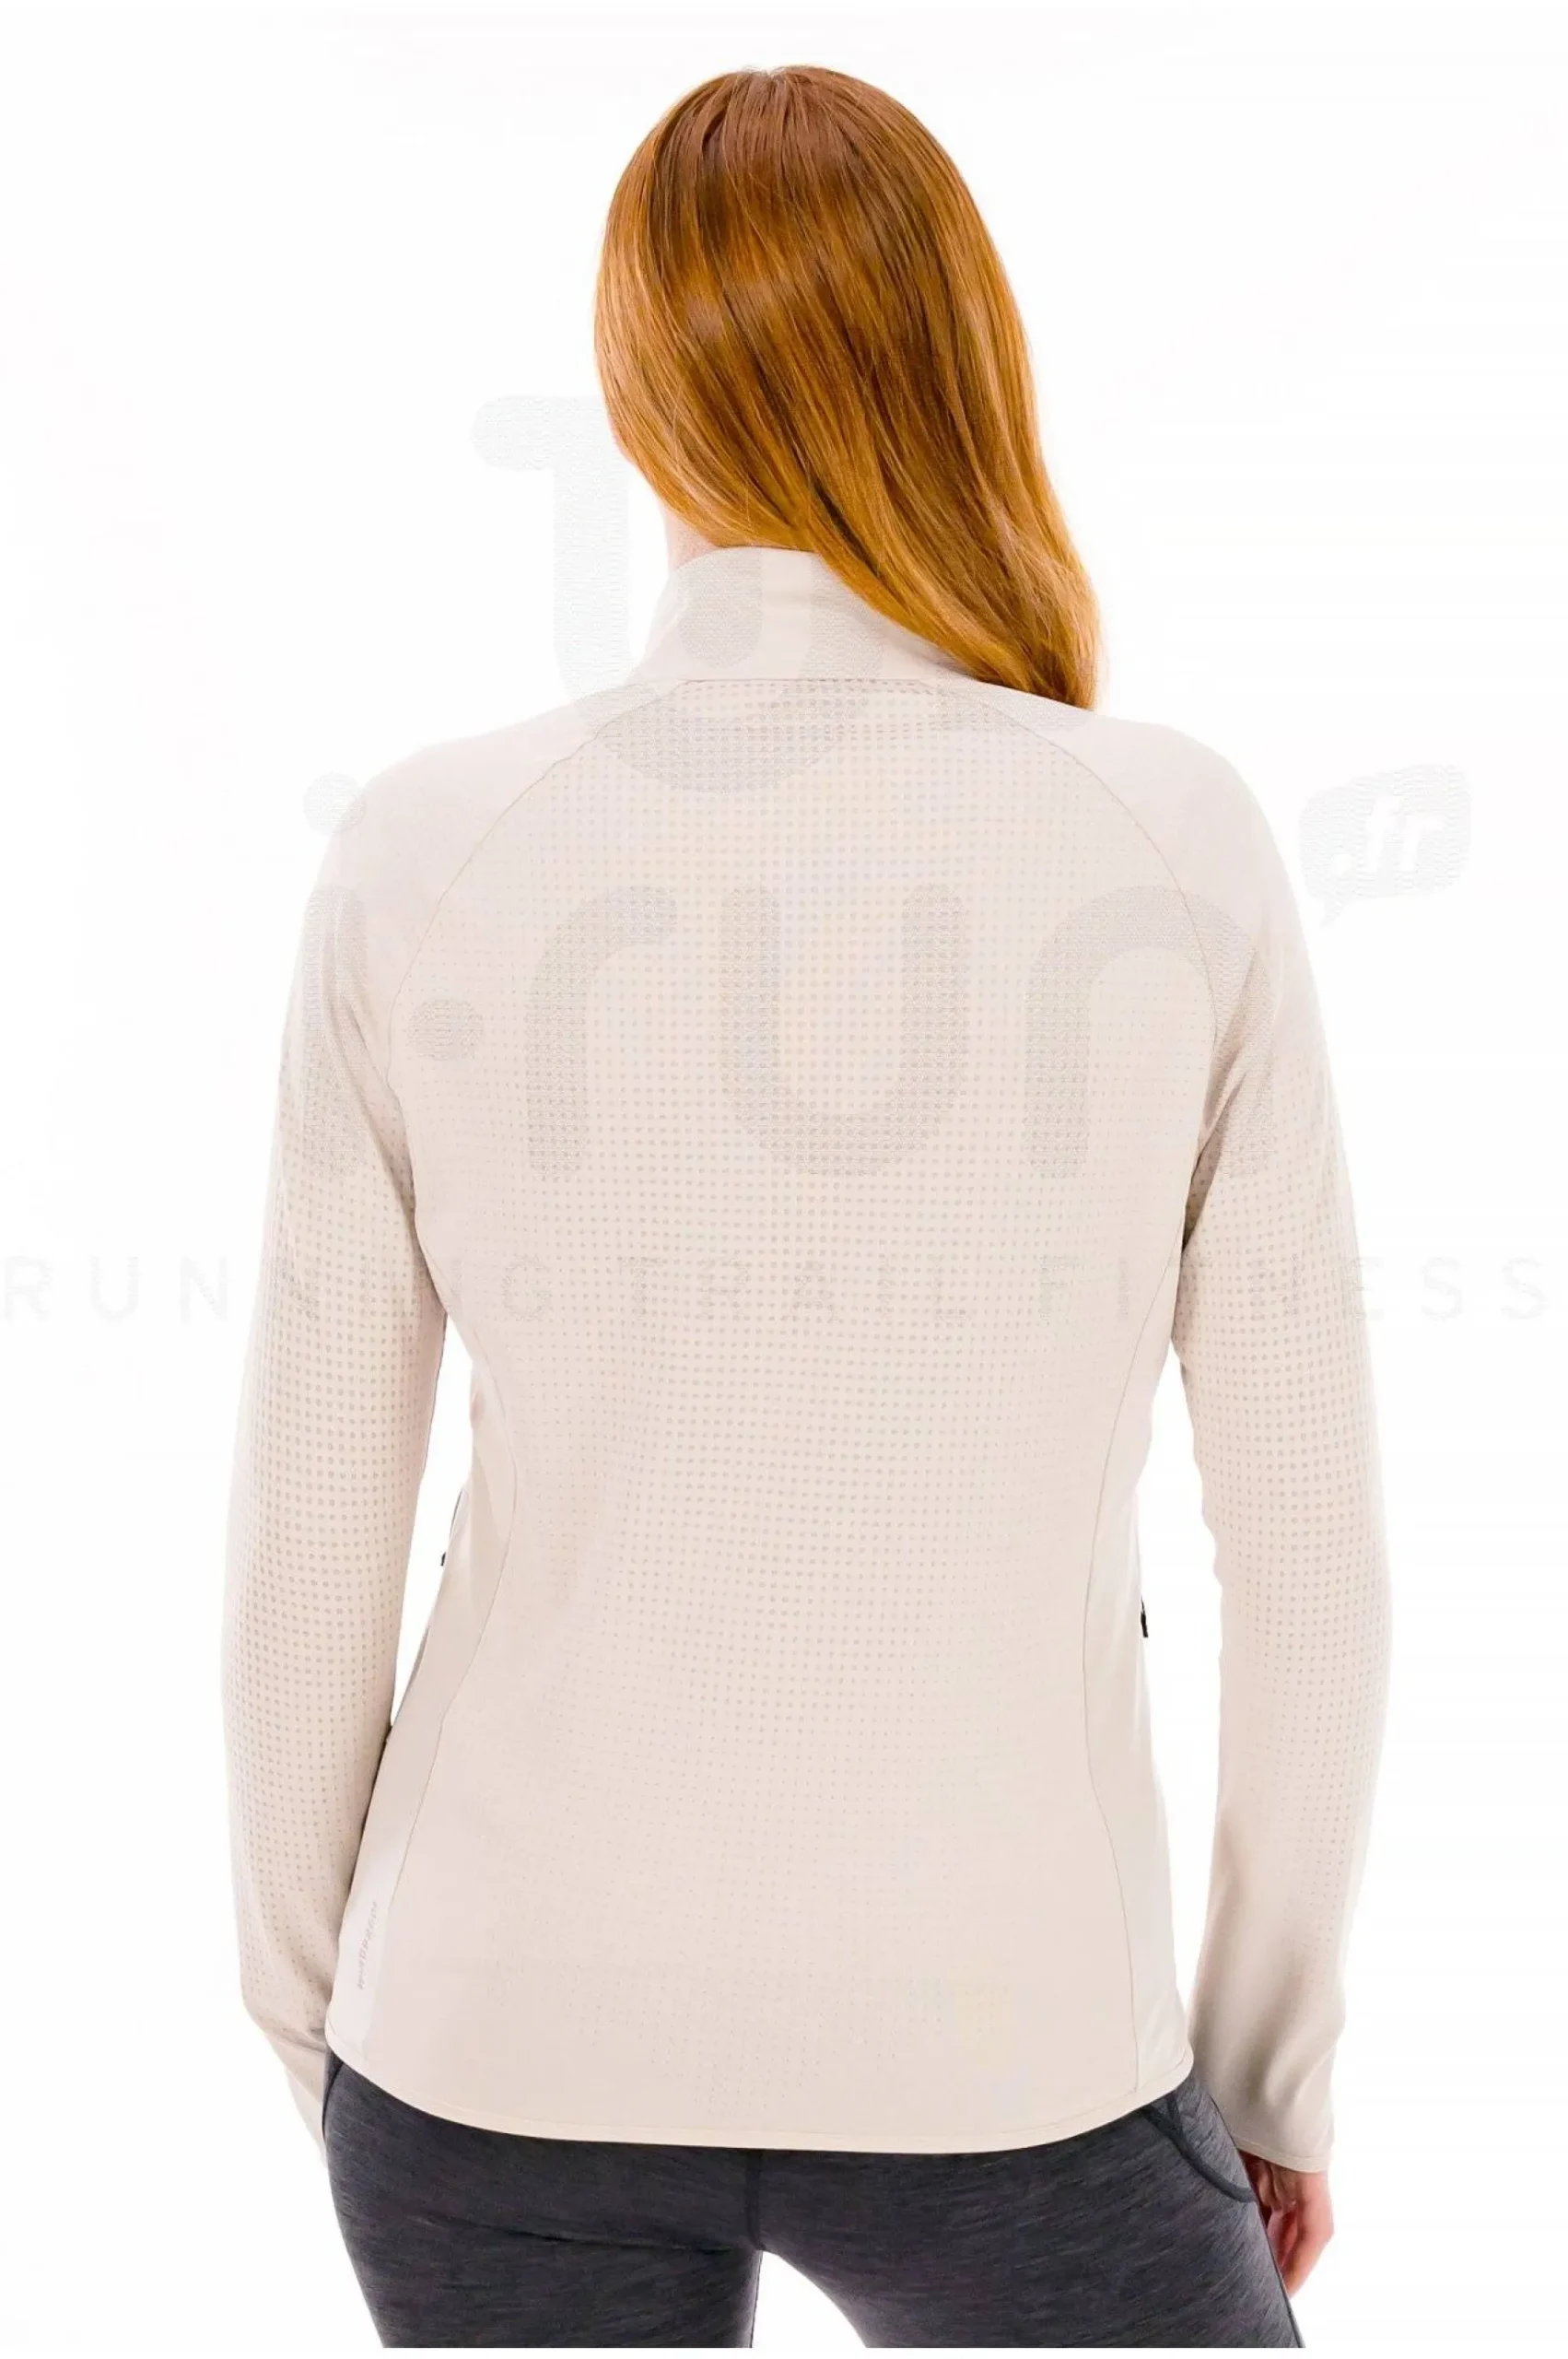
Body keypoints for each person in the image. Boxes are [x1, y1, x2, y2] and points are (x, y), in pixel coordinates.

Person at [220, 62, 1391, 2349]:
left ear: (633, 394)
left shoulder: (427, 855)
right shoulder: (1169, 847)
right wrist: (1266, 2074)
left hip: (490, 2033)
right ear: (963, 363)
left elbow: (304, 1548)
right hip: (1009, 2042)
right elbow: (1312, 1566)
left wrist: (334, 2026)